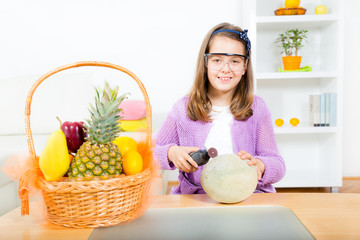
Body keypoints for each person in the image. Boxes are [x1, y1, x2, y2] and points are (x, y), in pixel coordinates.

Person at [154, 22, 285, 194]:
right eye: (217, 60)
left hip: (249, 197)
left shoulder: (257, 108)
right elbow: (150, 153)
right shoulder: (183, 109)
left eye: (235, 61)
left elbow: (277, 164)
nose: (226, 69)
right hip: (198, 199)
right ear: (206, 63)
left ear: (245, 67)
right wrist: (171, 153)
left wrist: (260, 165)